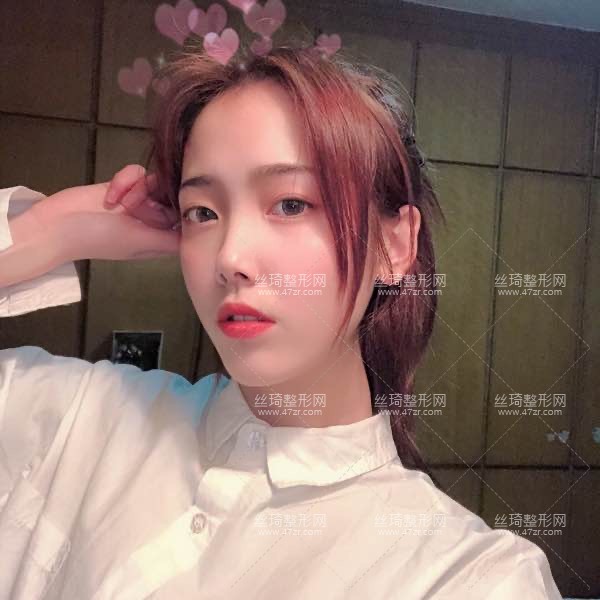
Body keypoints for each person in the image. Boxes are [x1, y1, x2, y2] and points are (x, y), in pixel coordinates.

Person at [0, 43, 562, 598]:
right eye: (202, 212)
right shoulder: (75, 416)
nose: (230, 258)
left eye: (291, 204)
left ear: (394, 244)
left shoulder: (468, 578)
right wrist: (52, 230)